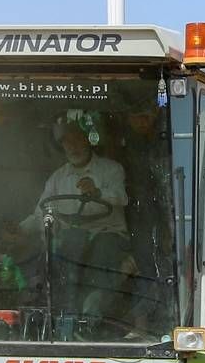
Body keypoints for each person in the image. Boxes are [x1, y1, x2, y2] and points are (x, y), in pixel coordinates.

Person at [33, 124, 131, 331]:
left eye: (77, 140)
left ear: (88, 140)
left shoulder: (111, 169)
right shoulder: (57, 177)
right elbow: (40, 211)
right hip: (73, 235)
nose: (73, 146)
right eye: (67, 142)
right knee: (65, 250)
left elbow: (121, 197)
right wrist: (19, 232)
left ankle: (93, 317)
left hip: (108, 231)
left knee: (103, 251)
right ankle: (64, 315)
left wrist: (97, 193)